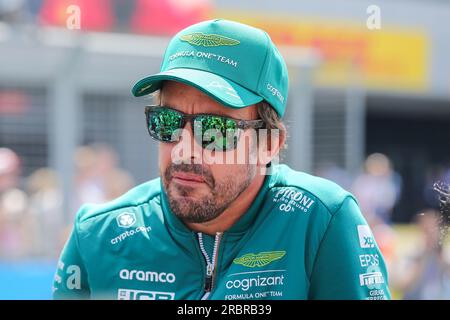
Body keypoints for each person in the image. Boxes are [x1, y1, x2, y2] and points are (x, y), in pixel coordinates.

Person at [53, 19, 390, 300]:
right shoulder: (98, 234)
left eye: (214, 130)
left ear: (270, 144)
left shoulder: (321, 220)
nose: (184, 151)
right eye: (167, 123)